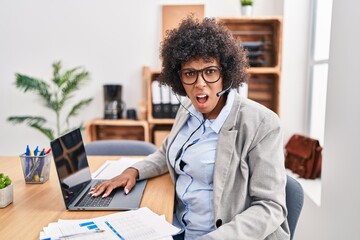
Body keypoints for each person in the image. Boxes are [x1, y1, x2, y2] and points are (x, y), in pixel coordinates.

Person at [90, 16, 290, 240]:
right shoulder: (187, 108)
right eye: (190, 73)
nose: (200, 83)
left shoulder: (261, 124)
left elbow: (271, 207)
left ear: (225, 73)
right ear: (179, 78)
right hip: (177, 226)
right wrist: (133, 171)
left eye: (210, 71)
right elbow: (166, 152)